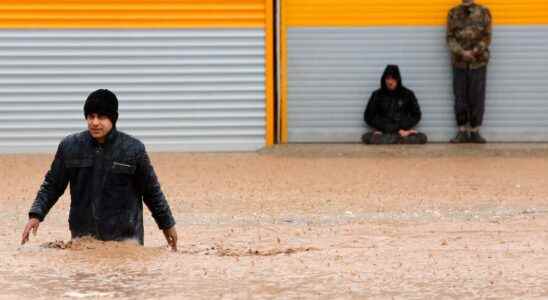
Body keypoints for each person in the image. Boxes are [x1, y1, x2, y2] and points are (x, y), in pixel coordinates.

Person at [21, 89, 178, 251]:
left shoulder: (133, 149)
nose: (95, 122)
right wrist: (36, 215)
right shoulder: (70, 147)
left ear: (113, 119)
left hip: (126, 242)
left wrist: (167, 225)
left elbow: (152, 192)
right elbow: (52, 185)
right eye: (91, 116)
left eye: (101, 117)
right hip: (83, 240)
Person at [447, 0, 492, 143]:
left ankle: (475, 131)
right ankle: (461, 131)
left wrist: (474, 51)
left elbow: (487, 37)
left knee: (477, 98)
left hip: (478, 63)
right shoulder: (453, 13)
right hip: (459, 63)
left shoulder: (484, 12)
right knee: (460, 97)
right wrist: (461, 52)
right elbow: (450, 37)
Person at [362, 65, 427, 145]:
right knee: (366, 137)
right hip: (384, 132)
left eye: (393, 79)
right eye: (388, 78)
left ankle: (394, 140)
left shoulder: (408, 94)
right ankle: (396, 140)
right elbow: (368, 116)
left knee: (422, 137)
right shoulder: (376, 95)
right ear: (384, 79)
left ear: (398, 80)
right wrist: (384, 127)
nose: (390, 82)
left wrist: (404, 128)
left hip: (402, 133)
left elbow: (416, 115)